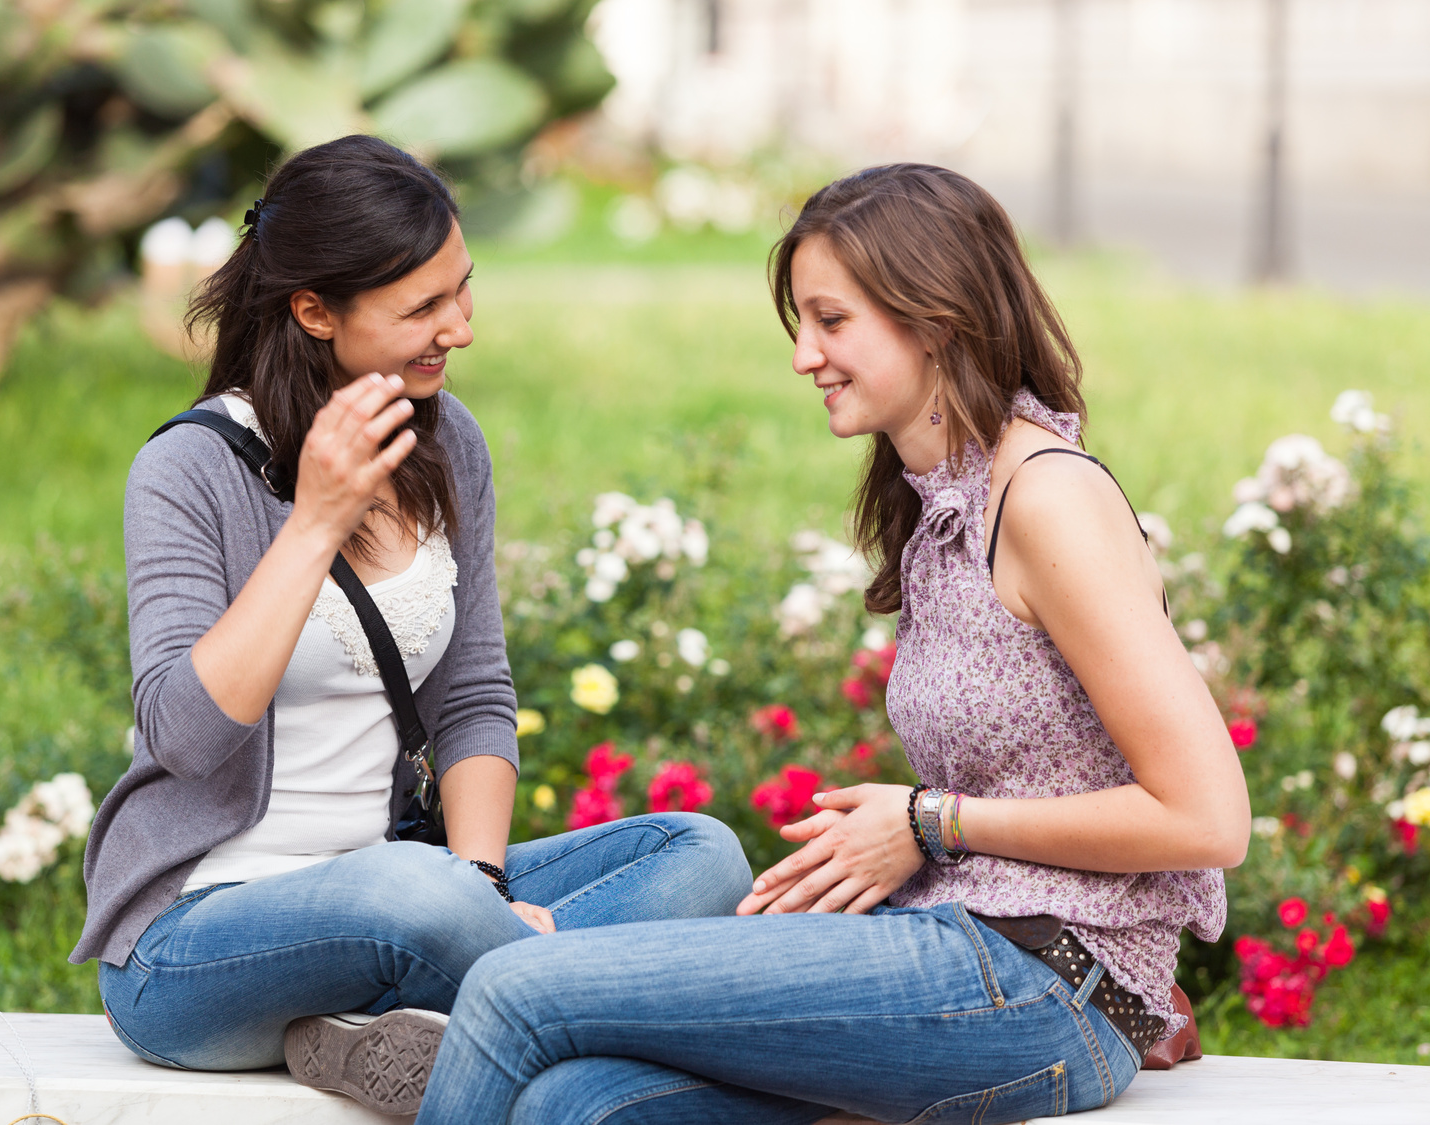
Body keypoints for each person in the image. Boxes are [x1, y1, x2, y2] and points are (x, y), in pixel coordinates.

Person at [411, 164, 1249, 1125]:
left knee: (517, 988)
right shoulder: (944, 500)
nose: (805, 355)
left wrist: (933, 823)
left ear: (935, 318)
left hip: (1045, 983)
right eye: (800, 323)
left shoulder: (1048, 499)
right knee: (581, 1104)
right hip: (959, 945)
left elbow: (1207, 816)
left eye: (832, 320)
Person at [69, 135, 750, 1117]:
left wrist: (479, 885)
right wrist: (313, 521)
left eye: (461, 291)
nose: (459, 329)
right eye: (423, 307)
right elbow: (185, 733)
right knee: (410, 896)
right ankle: (547, 1010)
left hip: (413, 892)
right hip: (198, 943)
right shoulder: (186, 471)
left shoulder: (447, 440)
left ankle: (407, 1016)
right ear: (314, 312)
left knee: (699, 854)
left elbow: (473, 696)